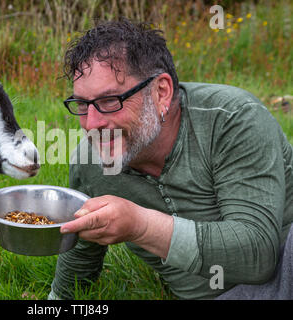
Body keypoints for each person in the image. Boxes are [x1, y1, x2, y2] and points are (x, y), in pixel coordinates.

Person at [48, 19, 293, 300]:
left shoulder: (232, 119)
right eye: (82, 105)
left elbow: (258, 254)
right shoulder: (90, 161)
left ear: (161, 92)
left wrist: (139, 224)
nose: (91, 124)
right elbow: (80, 254)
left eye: (109, 101)